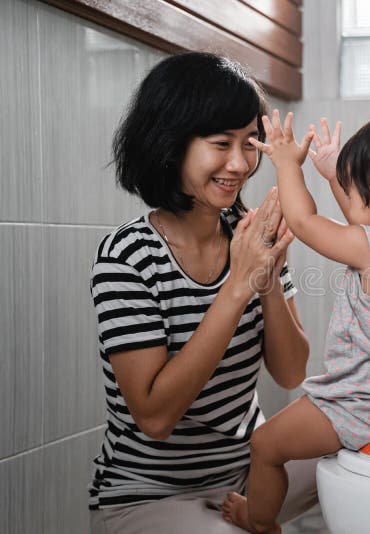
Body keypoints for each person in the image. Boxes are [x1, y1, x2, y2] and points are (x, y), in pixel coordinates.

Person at [88, 52, 317, 534]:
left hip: (245, 476)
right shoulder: (127, 257)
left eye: (248, 144)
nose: (239, 164)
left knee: (359, 458)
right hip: (148, 494)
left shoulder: (251, 233)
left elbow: (291, 369)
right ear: (172, 144)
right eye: (220, 144)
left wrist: (268, 280)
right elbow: (154, 417)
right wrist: (238, 285)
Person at [222, 110, 370, 533]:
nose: (351, 200)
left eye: (357, 192)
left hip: (360, 409)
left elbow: (304, 222)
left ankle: (258, 521)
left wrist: (287, 164)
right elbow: (368, 224)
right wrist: (335, 176)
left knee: (266, 444)